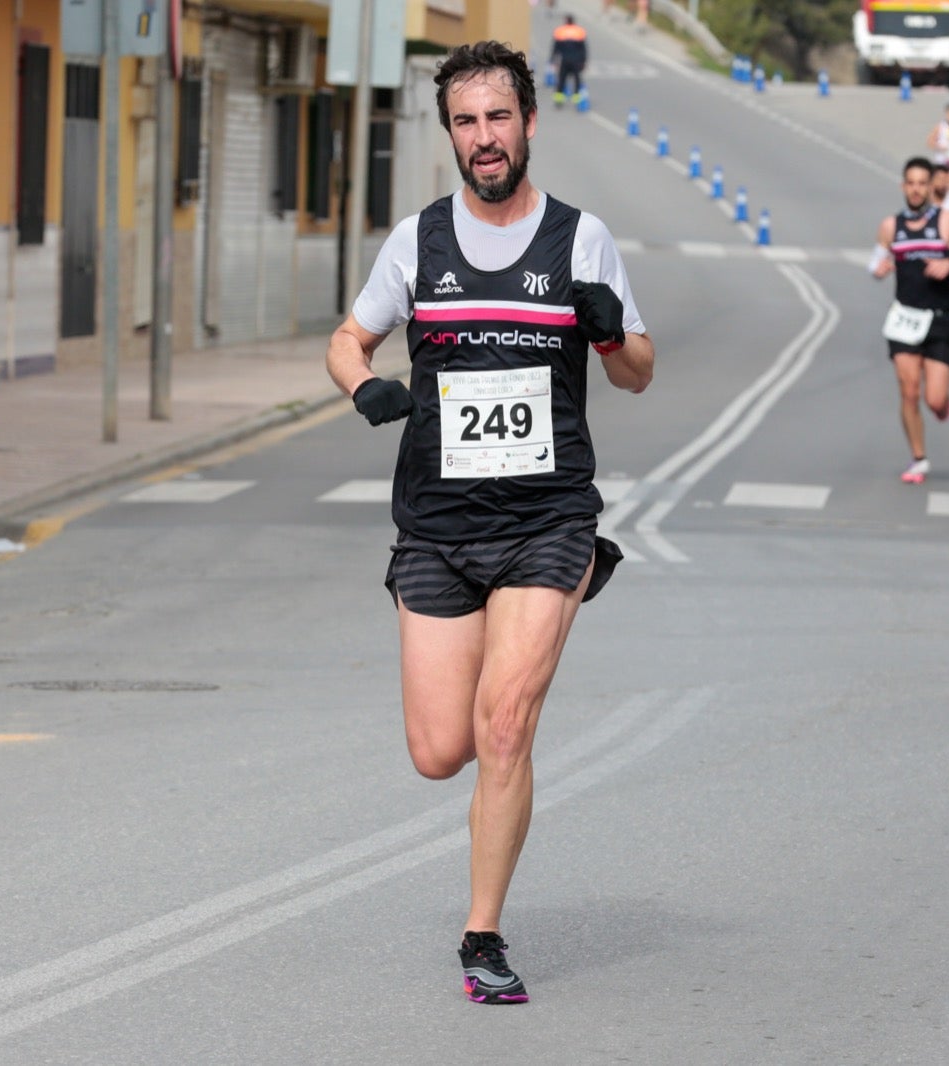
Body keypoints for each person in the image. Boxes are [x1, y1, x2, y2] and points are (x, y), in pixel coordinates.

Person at [324, 40, 654, 1003]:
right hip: (436, 524)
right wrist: (363, 385)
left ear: (529, 123)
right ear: (452, 135)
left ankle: (483, 935)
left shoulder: (581, 240)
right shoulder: (418, 241)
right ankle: (487, 776)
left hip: (548, 519)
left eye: (499, 117)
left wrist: (608, 330)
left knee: (505, 726)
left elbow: (637, 372)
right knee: (442, 751)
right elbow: (348, 338)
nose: (485, 138)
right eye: (466, 122)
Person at [872, 157, 949, 484]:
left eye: (922, 183)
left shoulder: (947, 221)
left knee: (933, 399)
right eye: (910, 183)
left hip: (938, 319)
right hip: (904, 319)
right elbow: (876, 260)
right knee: (908, 391)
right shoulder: (891, 226)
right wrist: (880, 269)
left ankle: (942, 404)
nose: (915, 189)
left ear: (930, 187)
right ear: (903, 186)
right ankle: (918, 458)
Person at [550, 15, 588, 107]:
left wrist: (552, 59)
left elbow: (556, 48)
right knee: (577, 80)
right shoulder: (579, 31)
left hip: (565, 60)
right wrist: (584, 61)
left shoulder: (560, 31)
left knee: (562, 80)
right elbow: (583, 49)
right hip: (576, 61)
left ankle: (559, 100)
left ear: (566, 21)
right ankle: (577, 99)